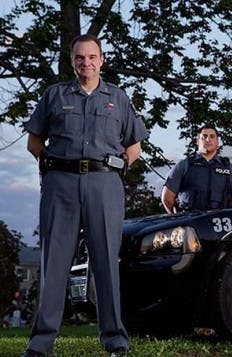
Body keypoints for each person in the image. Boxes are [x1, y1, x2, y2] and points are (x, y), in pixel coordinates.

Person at [22, 34, 148, 357]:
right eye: (80, 57)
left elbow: (134, 147)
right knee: (53, 264)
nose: (86, 63)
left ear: (101, 60)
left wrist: (114, 170)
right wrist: (55, 169)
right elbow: (34, 142)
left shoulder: (117, 97)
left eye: (92, 57)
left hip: (104, 185)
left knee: (106, 263)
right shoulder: (54, 95)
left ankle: (115, 340)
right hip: (60, 185)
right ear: (72, 61)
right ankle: (40, 344)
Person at [161, 125, 232, 214]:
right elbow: (167, 198)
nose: (208, 140)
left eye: (212, 136)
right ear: (197, 141)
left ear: (218, 141)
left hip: (219, 220)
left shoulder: (228, 168)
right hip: (190, 219)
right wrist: (176, 218)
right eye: (204, 136)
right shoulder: (184, 165)